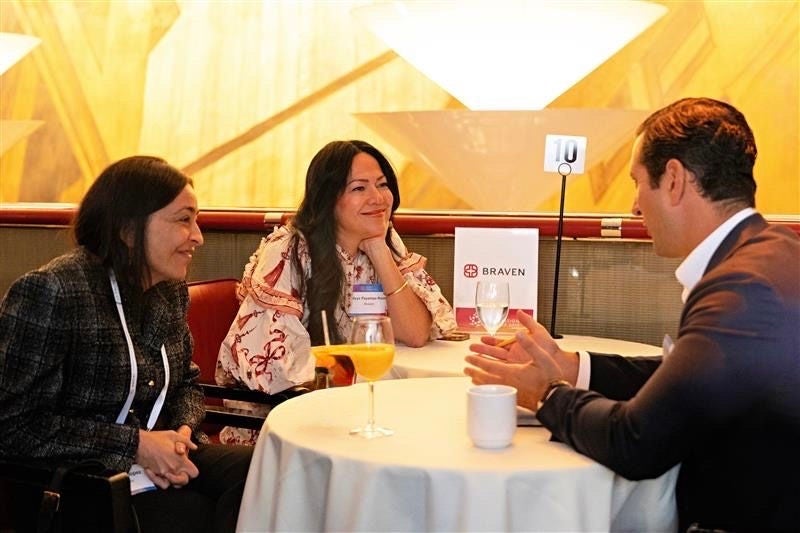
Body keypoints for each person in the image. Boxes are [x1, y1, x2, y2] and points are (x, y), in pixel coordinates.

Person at [464, 98, 800, 532]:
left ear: (674, 180)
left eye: (638, 183)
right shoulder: (775, 252)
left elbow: (637, 442)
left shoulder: (741, 290)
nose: (634, 207)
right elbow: (686, 380)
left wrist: (546, 394)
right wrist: (573, 367)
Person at [0, 156, 253, 532]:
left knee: (264, 475)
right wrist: (137, 445)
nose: (198, 236)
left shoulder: (169, 291)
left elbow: (186, 384)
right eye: (184, 220)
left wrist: (180, 435)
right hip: (85, 479)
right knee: (194, 516)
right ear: (128, 229)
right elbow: (13, 425)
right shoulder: (53, 291)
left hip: (161, 458)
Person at [216, 139, 457, 445]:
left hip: (355, 409)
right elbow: (275, 366)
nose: (378, 198)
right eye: (359, 188)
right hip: (287, 423)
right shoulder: (289, 250)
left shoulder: (384, 240)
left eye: (382, 185)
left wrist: (378, 249)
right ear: (328, 199)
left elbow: (415, 333)